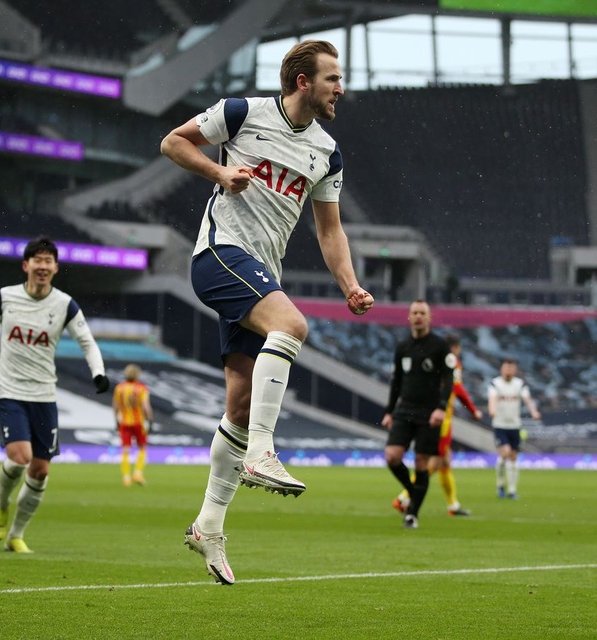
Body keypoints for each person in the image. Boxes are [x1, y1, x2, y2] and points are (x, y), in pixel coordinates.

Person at [160, 39, 374, 584]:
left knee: (240, 400)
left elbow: (330, 229)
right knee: (292, 325)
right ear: (304, 81)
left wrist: (349, 285)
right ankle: (263, 451)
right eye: (332, 79)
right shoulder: (243, 112)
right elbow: (172, 143)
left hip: (261, 273)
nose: (340, 90)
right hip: (219, 254)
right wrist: (219, 173)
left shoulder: (327, 151)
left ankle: (209, 525)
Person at [0, 236, 109, 554]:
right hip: (9, 389)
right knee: (20, 458)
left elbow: (87, 341)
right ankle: (1, 501)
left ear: (56, 268)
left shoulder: (64, 304)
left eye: (49, 260)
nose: (43, 266)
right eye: (37, 260)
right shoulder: (5, 297)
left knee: (41, 470)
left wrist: (99, 372)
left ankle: (16, 535)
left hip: (44, 394)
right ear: (26, 266)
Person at [380, 300, 454, 530]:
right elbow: (396, 381)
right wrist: (389, 411)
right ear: (409, 317)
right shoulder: (402, 347)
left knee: (422, 463)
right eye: (415, 313)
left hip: (429, 412)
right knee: (392, 456)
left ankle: (412, 514)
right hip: (404, 409)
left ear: (429, 318)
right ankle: (413, 492)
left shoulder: (440, 346)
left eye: (423, 313)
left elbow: (449, 379)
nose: (419, 316)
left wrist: (441, 407)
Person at [392, 334, 482, 517]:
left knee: (444, 462)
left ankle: (453, 506)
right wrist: (473, 410)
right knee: (432, 463)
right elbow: (458, 390)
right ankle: (404, 498)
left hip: (437, 416)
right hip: (441, 420)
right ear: (455, 349)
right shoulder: (452, 363)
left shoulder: (434, 359)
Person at [488, 358, 541, 499]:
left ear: (515, 370)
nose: (509, 370)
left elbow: (527, 400)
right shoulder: (495, 384)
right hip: (500, 425)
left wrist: (533, 411)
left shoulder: (520, 384)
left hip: (514, 426)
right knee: (505, 453)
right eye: (507, 367)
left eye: (512, 368)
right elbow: (492, 399)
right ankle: (500, 484)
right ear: (501, 369)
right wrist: (492, 410)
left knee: (513, 457)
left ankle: (511, 490)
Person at [113, 363, 153, 487]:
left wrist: (116, 420)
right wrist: (150, 419)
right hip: (138, 422)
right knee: (142, 448)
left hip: (124, 422)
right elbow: (146, 406)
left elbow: (116, 406)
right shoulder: (142, 388)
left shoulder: (120, 388)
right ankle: (137, 473)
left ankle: (126, 478)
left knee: (125, 450)